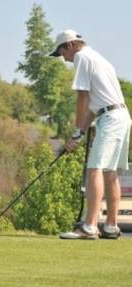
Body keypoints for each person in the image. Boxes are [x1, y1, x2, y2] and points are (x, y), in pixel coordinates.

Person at [49, 29, 131, 239]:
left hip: (110, 119)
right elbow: (95, 107)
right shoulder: (98, 58)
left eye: (61, 54)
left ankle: (90, 226)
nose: (64, 60)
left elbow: (83, 98)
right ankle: (111, 227)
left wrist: (76, 130)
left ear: (69, 45)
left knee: (94, 169)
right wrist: (80, 133)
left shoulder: (81, 57)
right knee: (110, 172)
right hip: (120, 116)